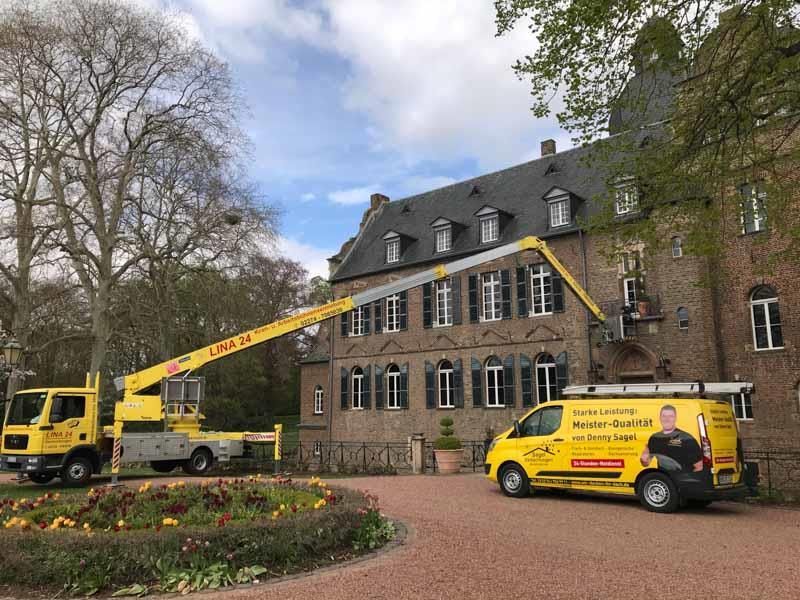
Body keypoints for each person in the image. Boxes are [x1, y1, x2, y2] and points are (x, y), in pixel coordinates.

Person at [640, 405, 703, 472]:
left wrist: (687, 480)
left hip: (682, 480)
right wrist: (643, 459)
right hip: (665, 480)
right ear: (660, 418)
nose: (667, 419)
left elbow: (699, 467)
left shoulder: (687, 438)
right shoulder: (654, 438)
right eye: (664, 416)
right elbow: (646, 463)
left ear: (675, 418)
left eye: (670, 416)